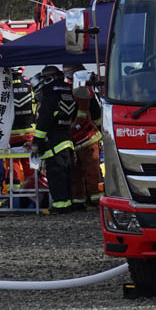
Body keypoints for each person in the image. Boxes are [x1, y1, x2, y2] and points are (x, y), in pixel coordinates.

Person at [31, 65, 75, 214]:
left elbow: (43, 120)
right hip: (67, 139)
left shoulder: (49, 94)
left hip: (54, 141)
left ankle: (60, 205)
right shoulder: (69, 91)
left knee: (56, 175)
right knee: (65, 173)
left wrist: (36, 142)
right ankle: (67, 203)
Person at [64, 63, 103, 211]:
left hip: (86, 136)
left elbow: (84, 114)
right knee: (76, 171)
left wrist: (74, 127)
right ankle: (79, 200)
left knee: (91, 170)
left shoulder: (83, 90)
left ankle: (95, 200)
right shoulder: (76, 89)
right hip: (76, 137)